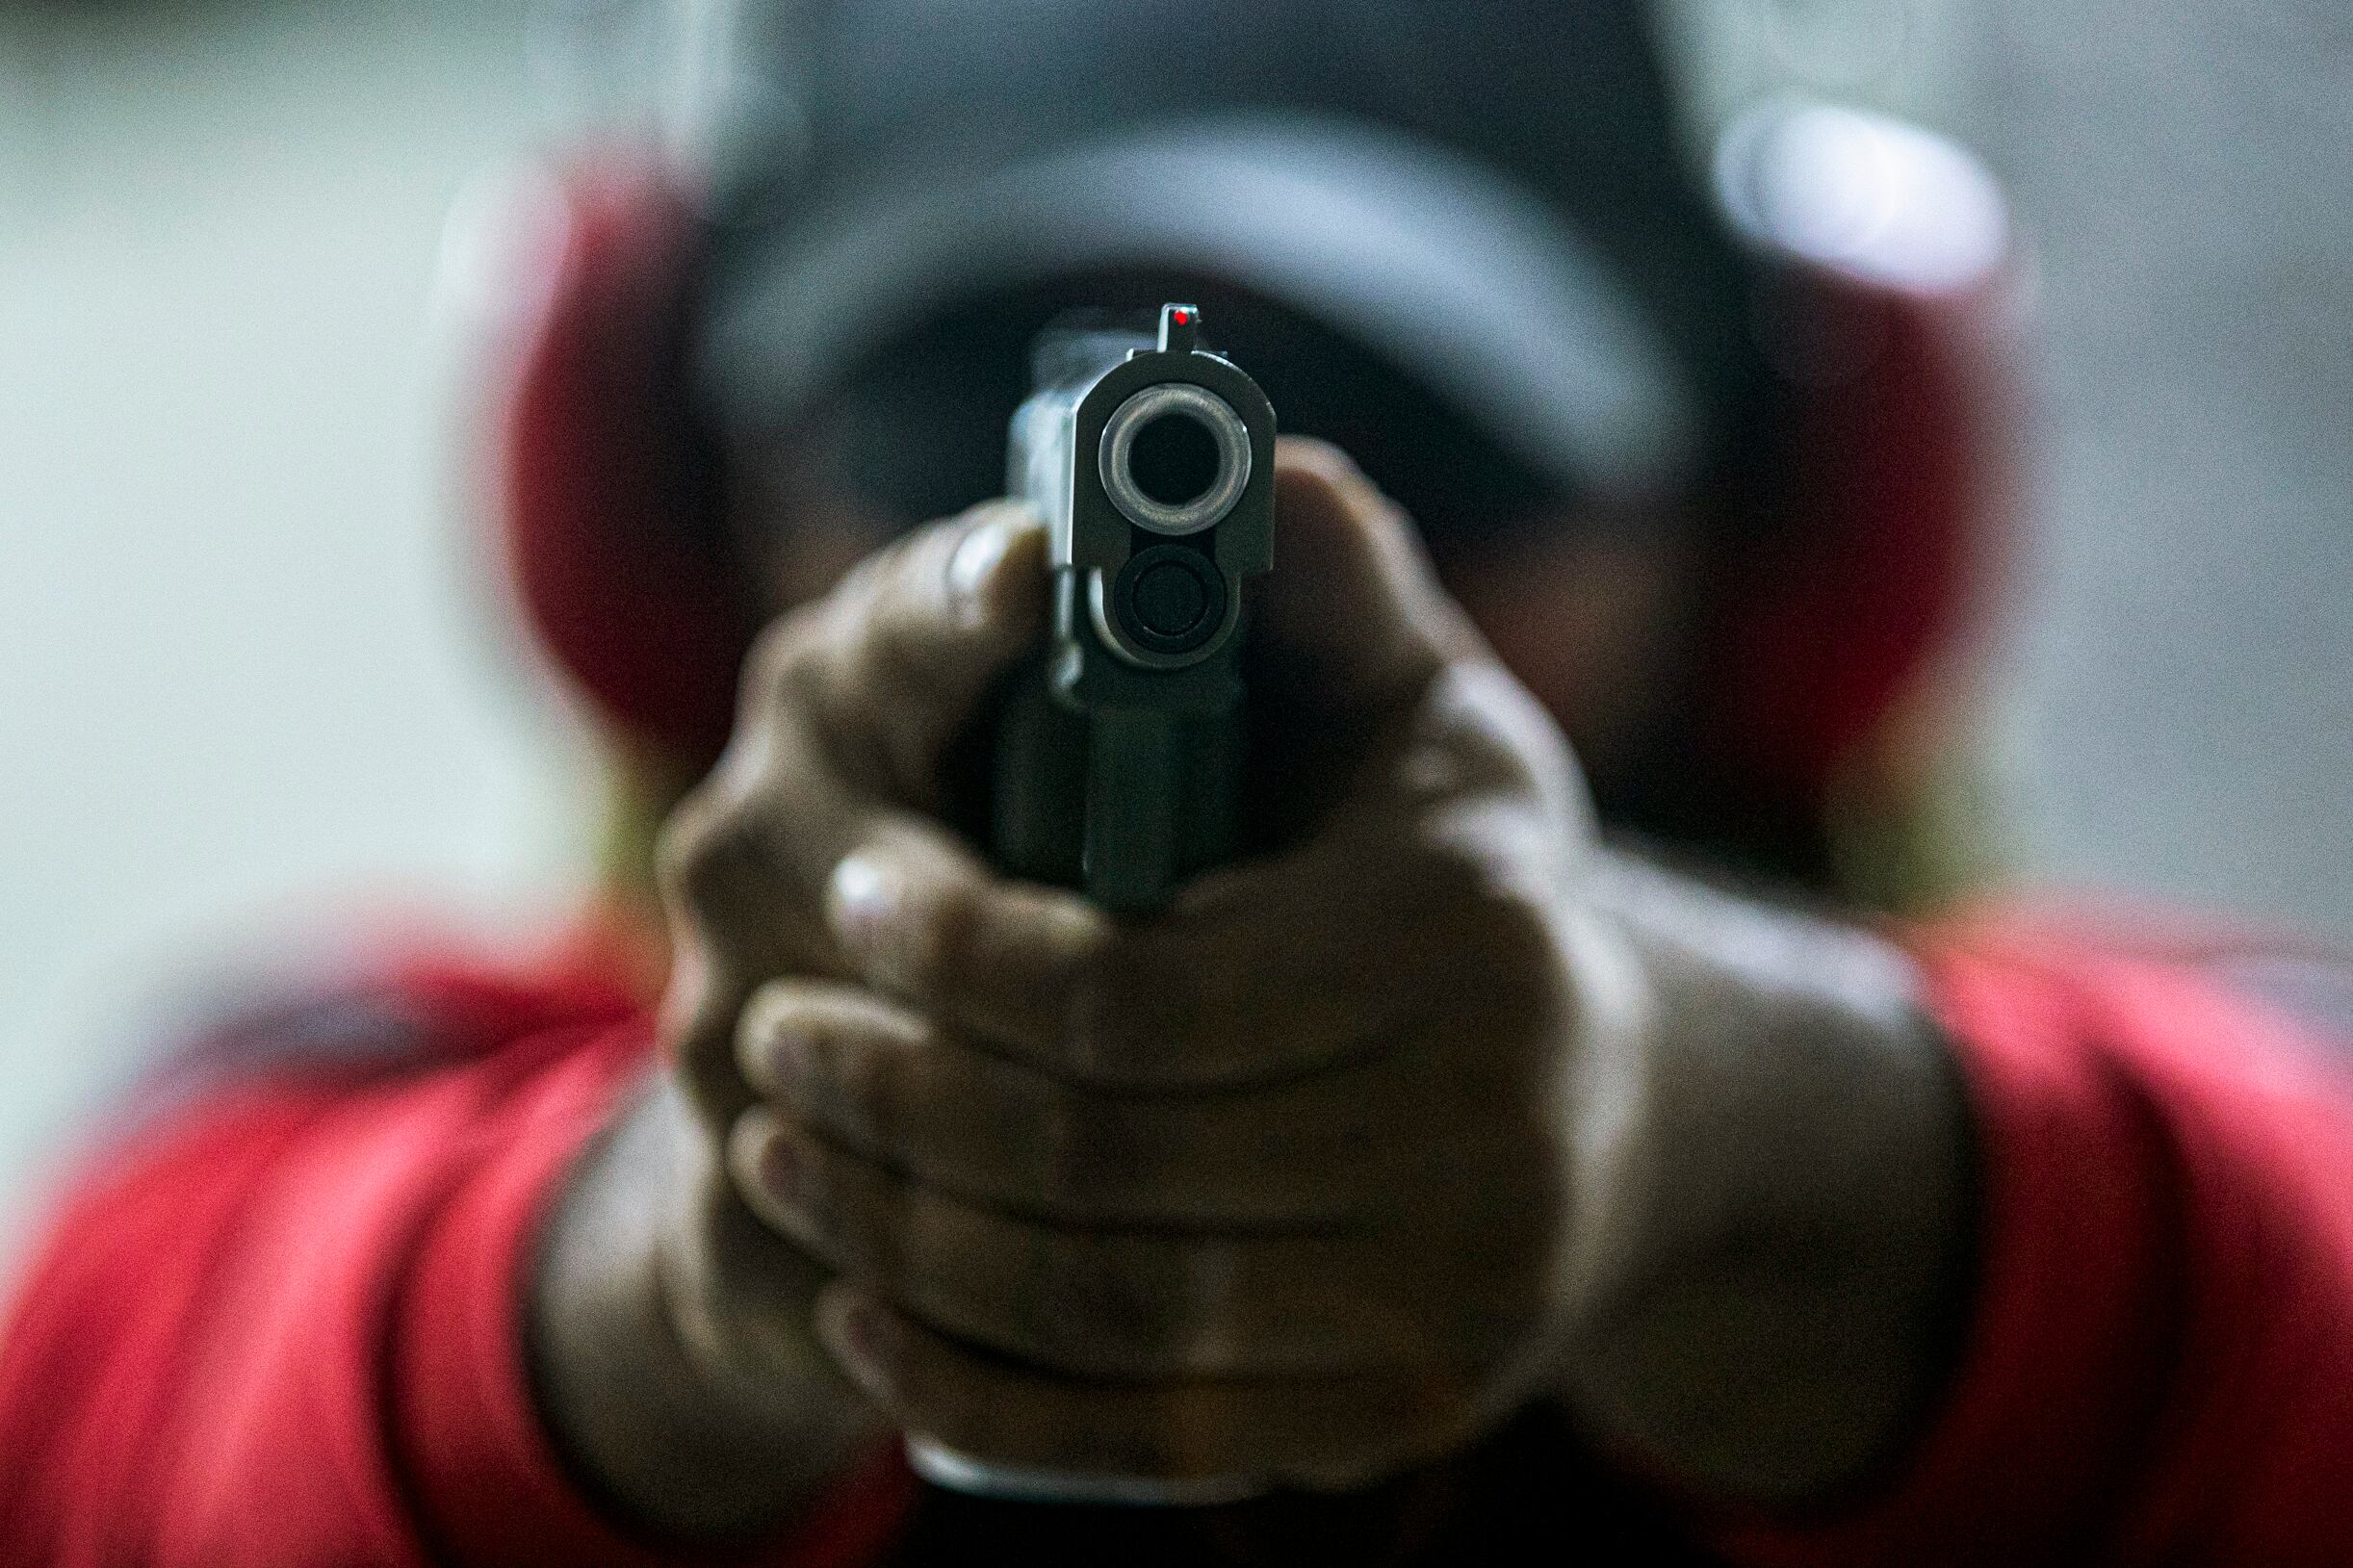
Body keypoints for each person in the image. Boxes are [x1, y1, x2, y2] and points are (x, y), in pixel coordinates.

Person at [6, 3, 2352, 1564]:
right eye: (938, 427)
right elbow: (120, 1431)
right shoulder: (338, 1098)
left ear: (1784, 499)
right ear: (654, 483)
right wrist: (683, 1269)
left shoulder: (2166, 1097)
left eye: (1437, 429)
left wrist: (1728, 1125)